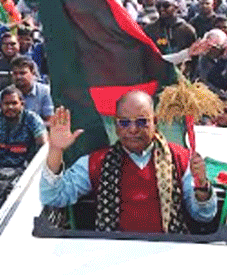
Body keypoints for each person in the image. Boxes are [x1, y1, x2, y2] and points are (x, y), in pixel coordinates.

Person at [39, 91, 216, 233]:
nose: (132, 129)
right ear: (116, 126)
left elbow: (204, 216)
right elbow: (53, 197)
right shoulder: (96, 162)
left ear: (155, 122)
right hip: (111, 253)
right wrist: (56, 149)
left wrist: (202, 186)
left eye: (141, 122)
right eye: (124, 123)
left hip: (166, 251)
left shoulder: (181, 158)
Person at [9, 55, 53, 121]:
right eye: (15, 73)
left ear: (32, 73)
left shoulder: (44, 92)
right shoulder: (5, 93)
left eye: (22, 73)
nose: (18, 77)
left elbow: (50, 120)